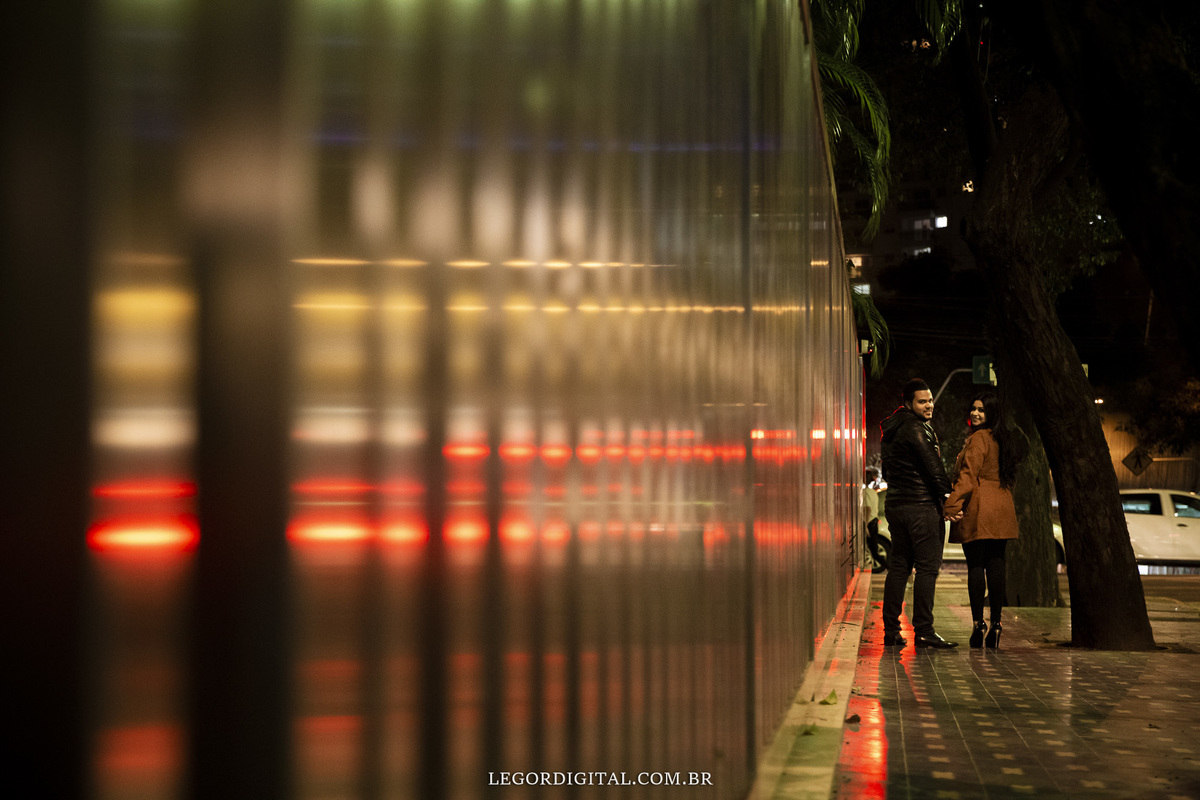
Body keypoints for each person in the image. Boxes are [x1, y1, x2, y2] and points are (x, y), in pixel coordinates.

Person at [943, 391, 1023, 649]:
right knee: (997, 564)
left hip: (979, 507)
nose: (975, 413)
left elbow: (967, 476)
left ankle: (979, 623)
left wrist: (951, 505)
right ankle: (997, 623)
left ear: (991, 414)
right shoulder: (1003, 439)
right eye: (973, 408)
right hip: (1001, 505)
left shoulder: (978, 439)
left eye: (981, 410)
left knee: (976, 565)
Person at [880, 378, 956, 648]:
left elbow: (887, 472)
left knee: (898, 567)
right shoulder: (916, 428)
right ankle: (924, 629)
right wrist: (949, 496)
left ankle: (891, 631)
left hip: (896, 506)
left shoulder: (890, 430)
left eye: (930, 400)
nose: (929, 405)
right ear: (908, 404)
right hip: (921, 507)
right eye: (922, 401)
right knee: (927, 569)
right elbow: (933, 466)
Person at [862, 468, 883, 571]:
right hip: (875, 522)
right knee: (873, 550)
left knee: (873, 552)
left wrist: (865, 525)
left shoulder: (865, 492)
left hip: (869, 523)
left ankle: (890, 567)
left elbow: (867, 509)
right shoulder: (873, 493)